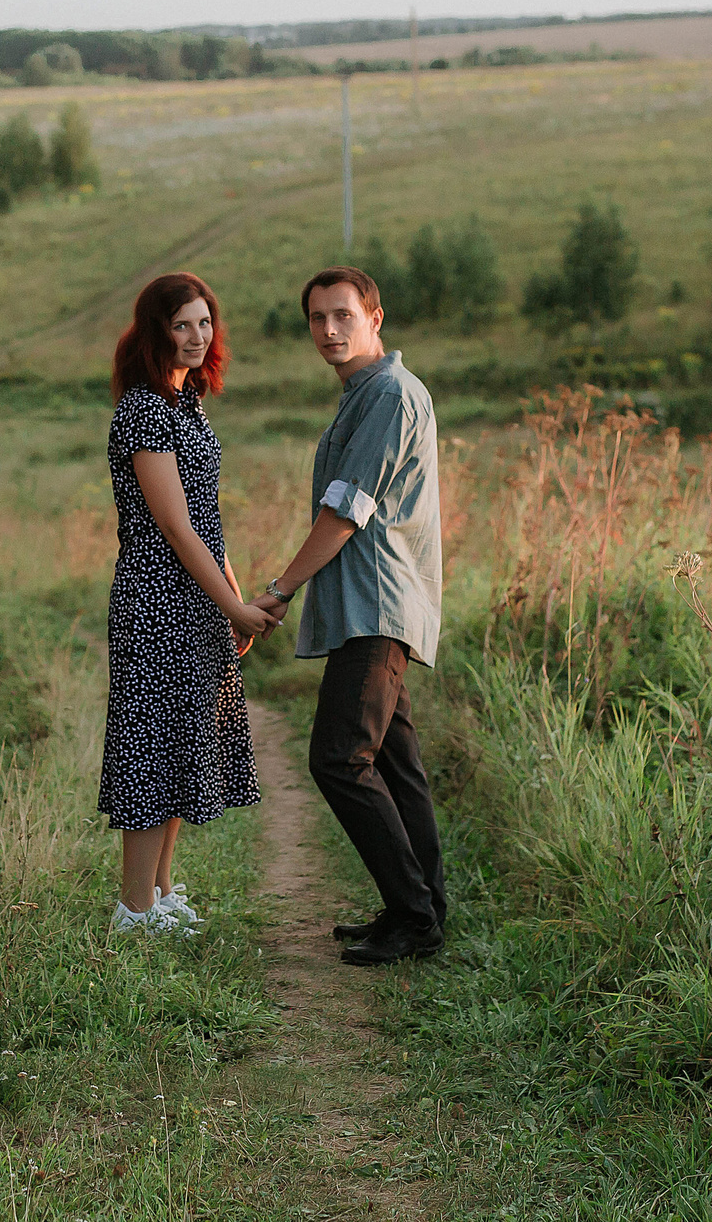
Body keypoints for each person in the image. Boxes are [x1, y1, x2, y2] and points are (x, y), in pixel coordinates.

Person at [250, 266, 447, 966]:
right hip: (368, 604)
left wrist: (279, 588)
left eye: (342, 315)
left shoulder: (390, 394)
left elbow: (346, 510)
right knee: (395, 763)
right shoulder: (364, 393)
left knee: (338, 758)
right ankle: (419, 906)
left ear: (375, 316)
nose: (328, 330)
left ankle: (415, 917)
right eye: (316, 318)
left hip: (378, 605)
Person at [100, 271, 278, 935]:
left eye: (205, 323)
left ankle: (161, 889)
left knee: (181, 738)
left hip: (196, 595)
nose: (197, 336)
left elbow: (208, 516)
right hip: (156, 598)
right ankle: (132, 908)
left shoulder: (187, 402)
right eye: (182, 325)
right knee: (152, 742)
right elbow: (174, 524)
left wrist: (230, 596)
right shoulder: (145, 409)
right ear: (156, 331)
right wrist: (234, 607)